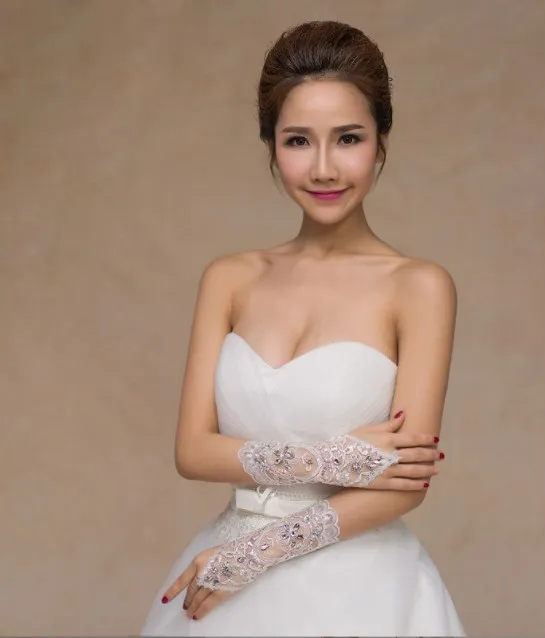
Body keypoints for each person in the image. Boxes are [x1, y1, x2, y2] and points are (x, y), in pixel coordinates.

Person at [141, 20, 465, 637]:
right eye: (297, 141)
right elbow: (192, 450)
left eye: (348, 138)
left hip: (359, 588)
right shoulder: (229, 278)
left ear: (381, 142)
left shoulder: (419, 286)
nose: (323, 168)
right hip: (221, 580)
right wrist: (333, 459)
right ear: (271, 146)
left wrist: (254, 554)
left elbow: (406, 481)